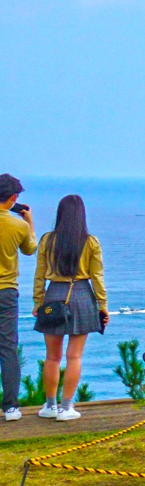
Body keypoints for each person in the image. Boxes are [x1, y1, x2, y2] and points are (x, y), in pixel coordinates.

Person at [32, 194, 108, 422]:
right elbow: (97, 277)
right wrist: (102, 306)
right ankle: (66, 408)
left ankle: (49, 406)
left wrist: (38, 302)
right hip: (82, 296)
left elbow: (39, 276)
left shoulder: (47, 240)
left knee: (52, 357)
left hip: (54, 294)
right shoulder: (91, 241)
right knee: (74, 356)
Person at [0, 174, 37, 422]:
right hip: (6, 291)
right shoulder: (18, 225)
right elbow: (30, 249)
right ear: (14, 198)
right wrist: (29, 221)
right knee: (7, 347)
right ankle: (11, 407)